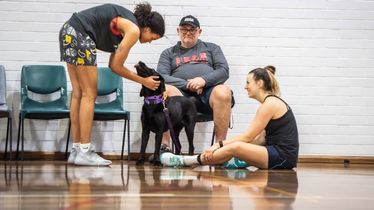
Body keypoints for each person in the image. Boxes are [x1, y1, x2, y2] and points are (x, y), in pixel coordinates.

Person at [59, 2, 164, 166]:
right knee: (89, 94)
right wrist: (143, 81)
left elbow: (112, 65)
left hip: (69, 30)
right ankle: (85, 152)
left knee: (79, 93)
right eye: (153, 38)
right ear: (148, 29)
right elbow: (116, 67)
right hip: (81, 34)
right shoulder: (134, 31)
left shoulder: (127, 24)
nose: (150, 42)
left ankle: (76, 149)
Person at [161, 66, 299, 169]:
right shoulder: (270, 103)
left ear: (260, 83)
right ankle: (232, 160)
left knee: (236, 146)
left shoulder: (269, 104)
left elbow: (247, 138)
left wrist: (218, 145)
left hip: (283, 157)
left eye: (248, 82)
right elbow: (260, 139)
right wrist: (238, 152)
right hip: (276, 153)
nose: (245, 87)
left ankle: (185, 161)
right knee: (235, 149)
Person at [157, 15, 233, 152]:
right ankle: (165, 146)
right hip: (181, 96)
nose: (187, 32)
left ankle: (220, 148)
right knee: (163, 90)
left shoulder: (212, 48)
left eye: (192, 30)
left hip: (208, 95)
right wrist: (188, 85)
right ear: (177, 31)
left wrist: (203, 81)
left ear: (199, 31)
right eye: (184, 29)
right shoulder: (168, 53)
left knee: (223, 91)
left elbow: (224, 71)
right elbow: (161, 76)